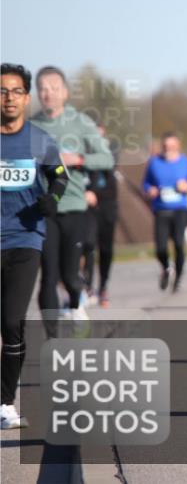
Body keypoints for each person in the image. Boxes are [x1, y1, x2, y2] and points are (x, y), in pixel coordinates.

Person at [1, 64, 68, 429]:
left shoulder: (39, 140)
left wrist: (52, 199)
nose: (8, 98)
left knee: (11, 321)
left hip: (26, 239)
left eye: (15, 91)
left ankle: (4, 403)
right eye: (2, 91)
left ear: (26, 98)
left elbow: (58, 176)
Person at [30, 66, 114, 325]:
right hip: (44, 210)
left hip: (74, 207)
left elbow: (106, 158)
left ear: (64, 92)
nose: (48, 93)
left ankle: (76, 300)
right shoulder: (31, 126)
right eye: (43, 88)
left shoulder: (80, 123)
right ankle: (52, 339)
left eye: (54, 88)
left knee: (69, 273)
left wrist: (77, 158)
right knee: (48, 275)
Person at [142, 132, 187, 292]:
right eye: (166, 146)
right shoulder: (154, 163)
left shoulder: (185, 162)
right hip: (161, 209)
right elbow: (146, 184)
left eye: (172, 146)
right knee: (160, 247)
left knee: (179, 244)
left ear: (178, 146)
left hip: (180, 208)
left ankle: (178, 278)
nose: (169, 149)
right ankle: (166, 267)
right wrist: (150, 190)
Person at [81, 124, 119, 308]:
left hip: (107, 206)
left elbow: (110, 171)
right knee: (88, 244)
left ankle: (103, 286)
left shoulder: (110, 153)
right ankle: (87, 287)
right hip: (88, 206)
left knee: (106, 250)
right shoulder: (82, 153)